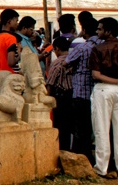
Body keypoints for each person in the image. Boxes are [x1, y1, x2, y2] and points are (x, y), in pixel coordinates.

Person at [65, 12, 101, 163]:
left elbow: (67, 61)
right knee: (99, 128)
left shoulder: (83, 47)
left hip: (81, 91)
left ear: (84, 30)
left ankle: (83, 159)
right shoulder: (103, 45)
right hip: (98, 90)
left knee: (82, 129)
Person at [89, 17, 118, 179]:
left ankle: (101, 167)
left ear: (108, 31)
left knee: (101, 129)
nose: (97, 31)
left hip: (103, 89)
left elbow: (96, 74)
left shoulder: (98, 49)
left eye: (100, 29)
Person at [46, 36, 73, 150]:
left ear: (57, 48)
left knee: (60, 126)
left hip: (60, 97)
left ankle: (61, 150)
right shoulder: (73, 59)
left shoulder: (57, 63)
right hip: (72, 95)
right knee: (69, 126)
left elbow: (50, 83)